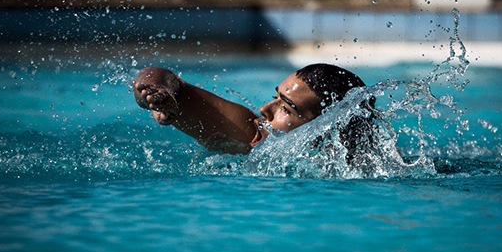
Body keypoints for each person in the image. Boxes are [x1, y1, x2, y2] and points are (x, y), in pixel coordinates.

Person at [133, 63, 366, 154]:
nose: (265, 109)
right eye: (276, 97)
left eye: (287, 108)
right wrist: (157, 91)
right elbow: (168, 81)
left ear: (328, 135)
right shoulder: (252, 136)